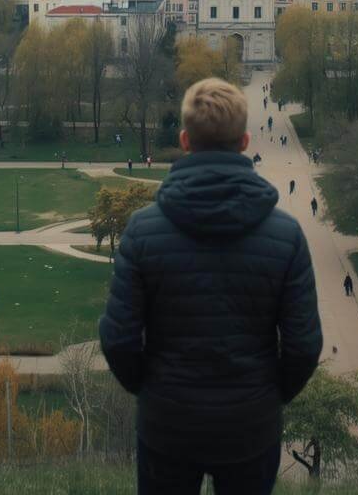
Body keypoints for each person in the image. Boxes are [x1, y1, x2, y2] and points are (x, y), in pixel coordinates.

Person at [100, 78, 322, 495]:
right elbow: (303, 346)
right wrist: (266, 395)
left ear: (184, 140)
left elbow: (118, 339)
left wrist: (153, 389)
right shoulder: (287, 235)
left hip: (167, 421)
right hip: (250, 424)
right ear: (245, 141)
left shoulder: (142, 231)